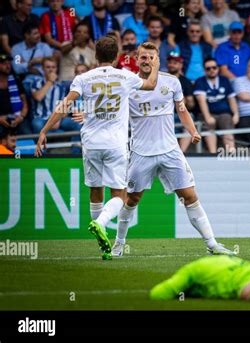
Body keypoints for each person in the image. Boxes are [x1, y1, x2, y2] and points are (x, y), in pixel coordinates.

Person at [35, 37, 160, 259]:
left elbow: (65, 105)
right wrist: (155, 63)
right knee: (120, 195)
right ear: (117, 56)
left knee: (95, 191)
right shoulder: (125, 76)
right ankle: (101, 223)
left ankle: (100, 242)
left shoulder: (83, 78)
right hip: (115, 143)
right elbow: (150, 84)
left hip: (91, 143)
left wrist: (44, 130)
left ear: (95, 55)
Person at [109, 48, 236, 257]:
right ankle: (119, 244)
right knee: (131, 199)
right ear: (136, 59)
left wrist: (193, 131)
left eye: (151, 57)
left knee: (190, 196)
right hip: (141, 152)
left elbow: (182, 110)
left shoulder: (172, 82)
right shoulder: (128, 84)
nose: (147, 60)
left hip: (170, 150)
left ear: (157, 59)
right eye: (143, 57)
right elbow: (113, 110)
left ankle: (212, 244)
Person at [194, 57, 239, 153]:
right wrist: (207, 117)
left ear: (218, 68)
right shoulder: (200, 81)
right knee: (208, 127)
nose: (211, 70)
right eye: (208, 68)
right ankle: (212, 155)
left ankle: (232, 153)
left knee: (227, 123)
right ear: (204, 70)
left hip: (224, 113)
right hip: (207, 113)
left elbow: (232, 99)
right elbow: (201, 101)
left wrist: (236, 114)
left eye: (214, 67)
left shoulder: (224, 80)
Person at [166, 52, 196, 152]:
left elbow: (191, 105)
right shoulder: (161, 79)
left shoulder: (185, 82)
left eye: (175, 62)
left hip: (179, 114)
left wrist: (188, 102)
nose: (171, 64)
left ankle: (181, 153)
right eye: (170, 62)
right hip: (164, 113)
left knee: (190, 118)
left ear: (180, 65)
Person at [0, 54, 29, 134]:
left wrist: (21, 117)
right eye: (4, 63)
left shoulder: (16, 81)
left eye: (9, 63)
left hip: (17, 117)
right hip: (1, 119)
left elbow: (24, 103)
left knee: (27, 133)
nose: (8, 66)